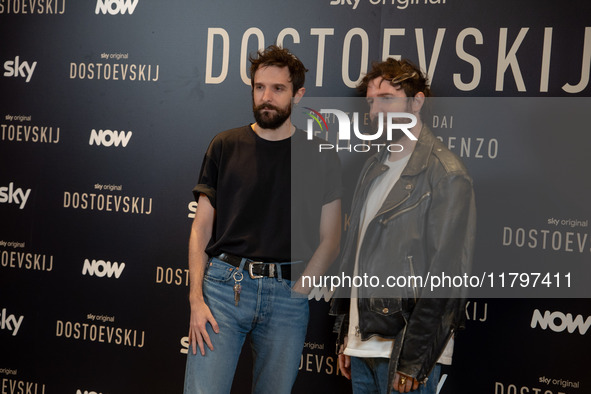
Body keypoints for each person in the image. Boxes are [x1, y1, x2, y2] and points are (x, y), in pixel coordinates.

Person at [183, 45, 342, 394]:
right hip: (223, 290)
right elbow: (201, 229)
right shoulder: (225, 145)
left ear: (298, 94)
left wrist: (299, 290)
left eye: (278, 89)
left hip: (288, 296)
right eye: (259, 87)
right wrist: (197, 300)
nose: (266, 97)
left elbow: (331, 236)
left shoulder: (321, 156)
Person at [330, 58, 476, 394]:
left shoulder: (446, 174)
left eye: (386, 98)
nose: (375, 109)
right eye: (370, 101)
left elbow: (448, 276)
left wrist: (413, 362)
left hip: (404, 357)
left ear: (417, 101)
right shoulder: (372, 167)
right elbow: (355, 257)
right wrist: (347, 336)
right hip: (362, 348)